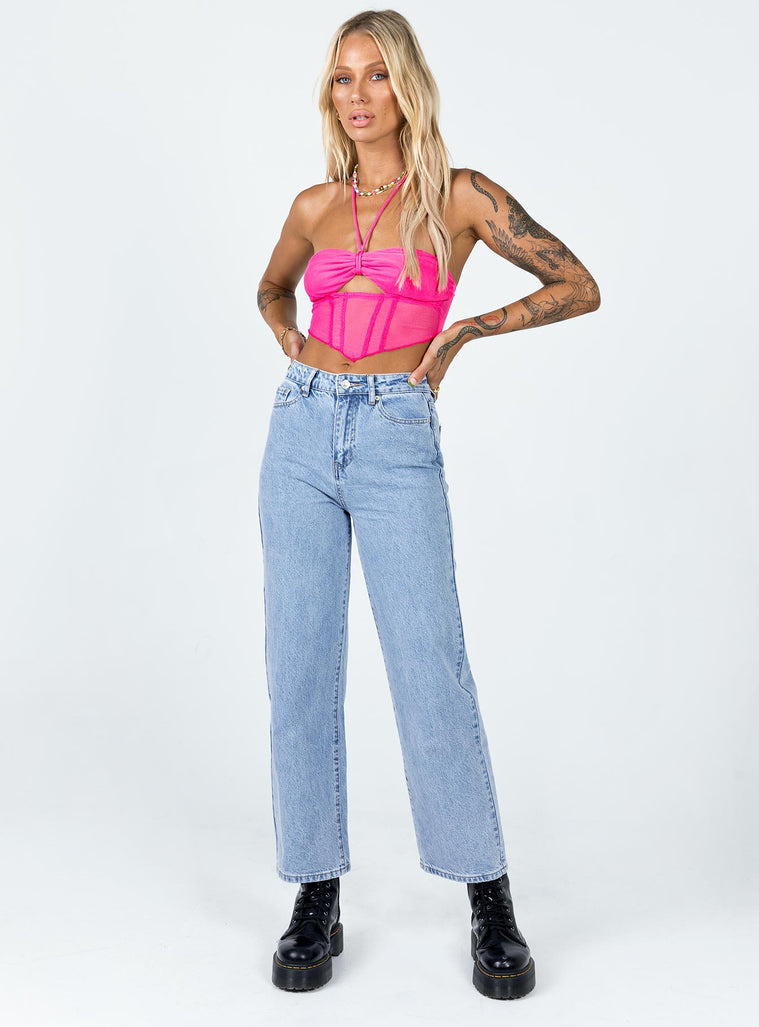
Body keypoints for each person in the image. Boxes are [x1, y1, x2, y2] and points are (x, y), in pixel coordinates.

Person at [256, 8, 600, 1000]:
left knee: (429, 664)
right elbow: (272, 289)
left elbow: (577, 283)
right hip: (301, 432)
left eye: (375, 75)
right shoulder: (315, 204)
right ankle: (315, 892)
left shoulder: (460, 196)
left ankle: (489, 896)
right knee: (298, 667)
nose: (357, 95)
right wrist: (290, 342)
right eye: (342, 78)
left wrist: (462, 333)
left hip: (396, 430)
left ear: (406, 85)